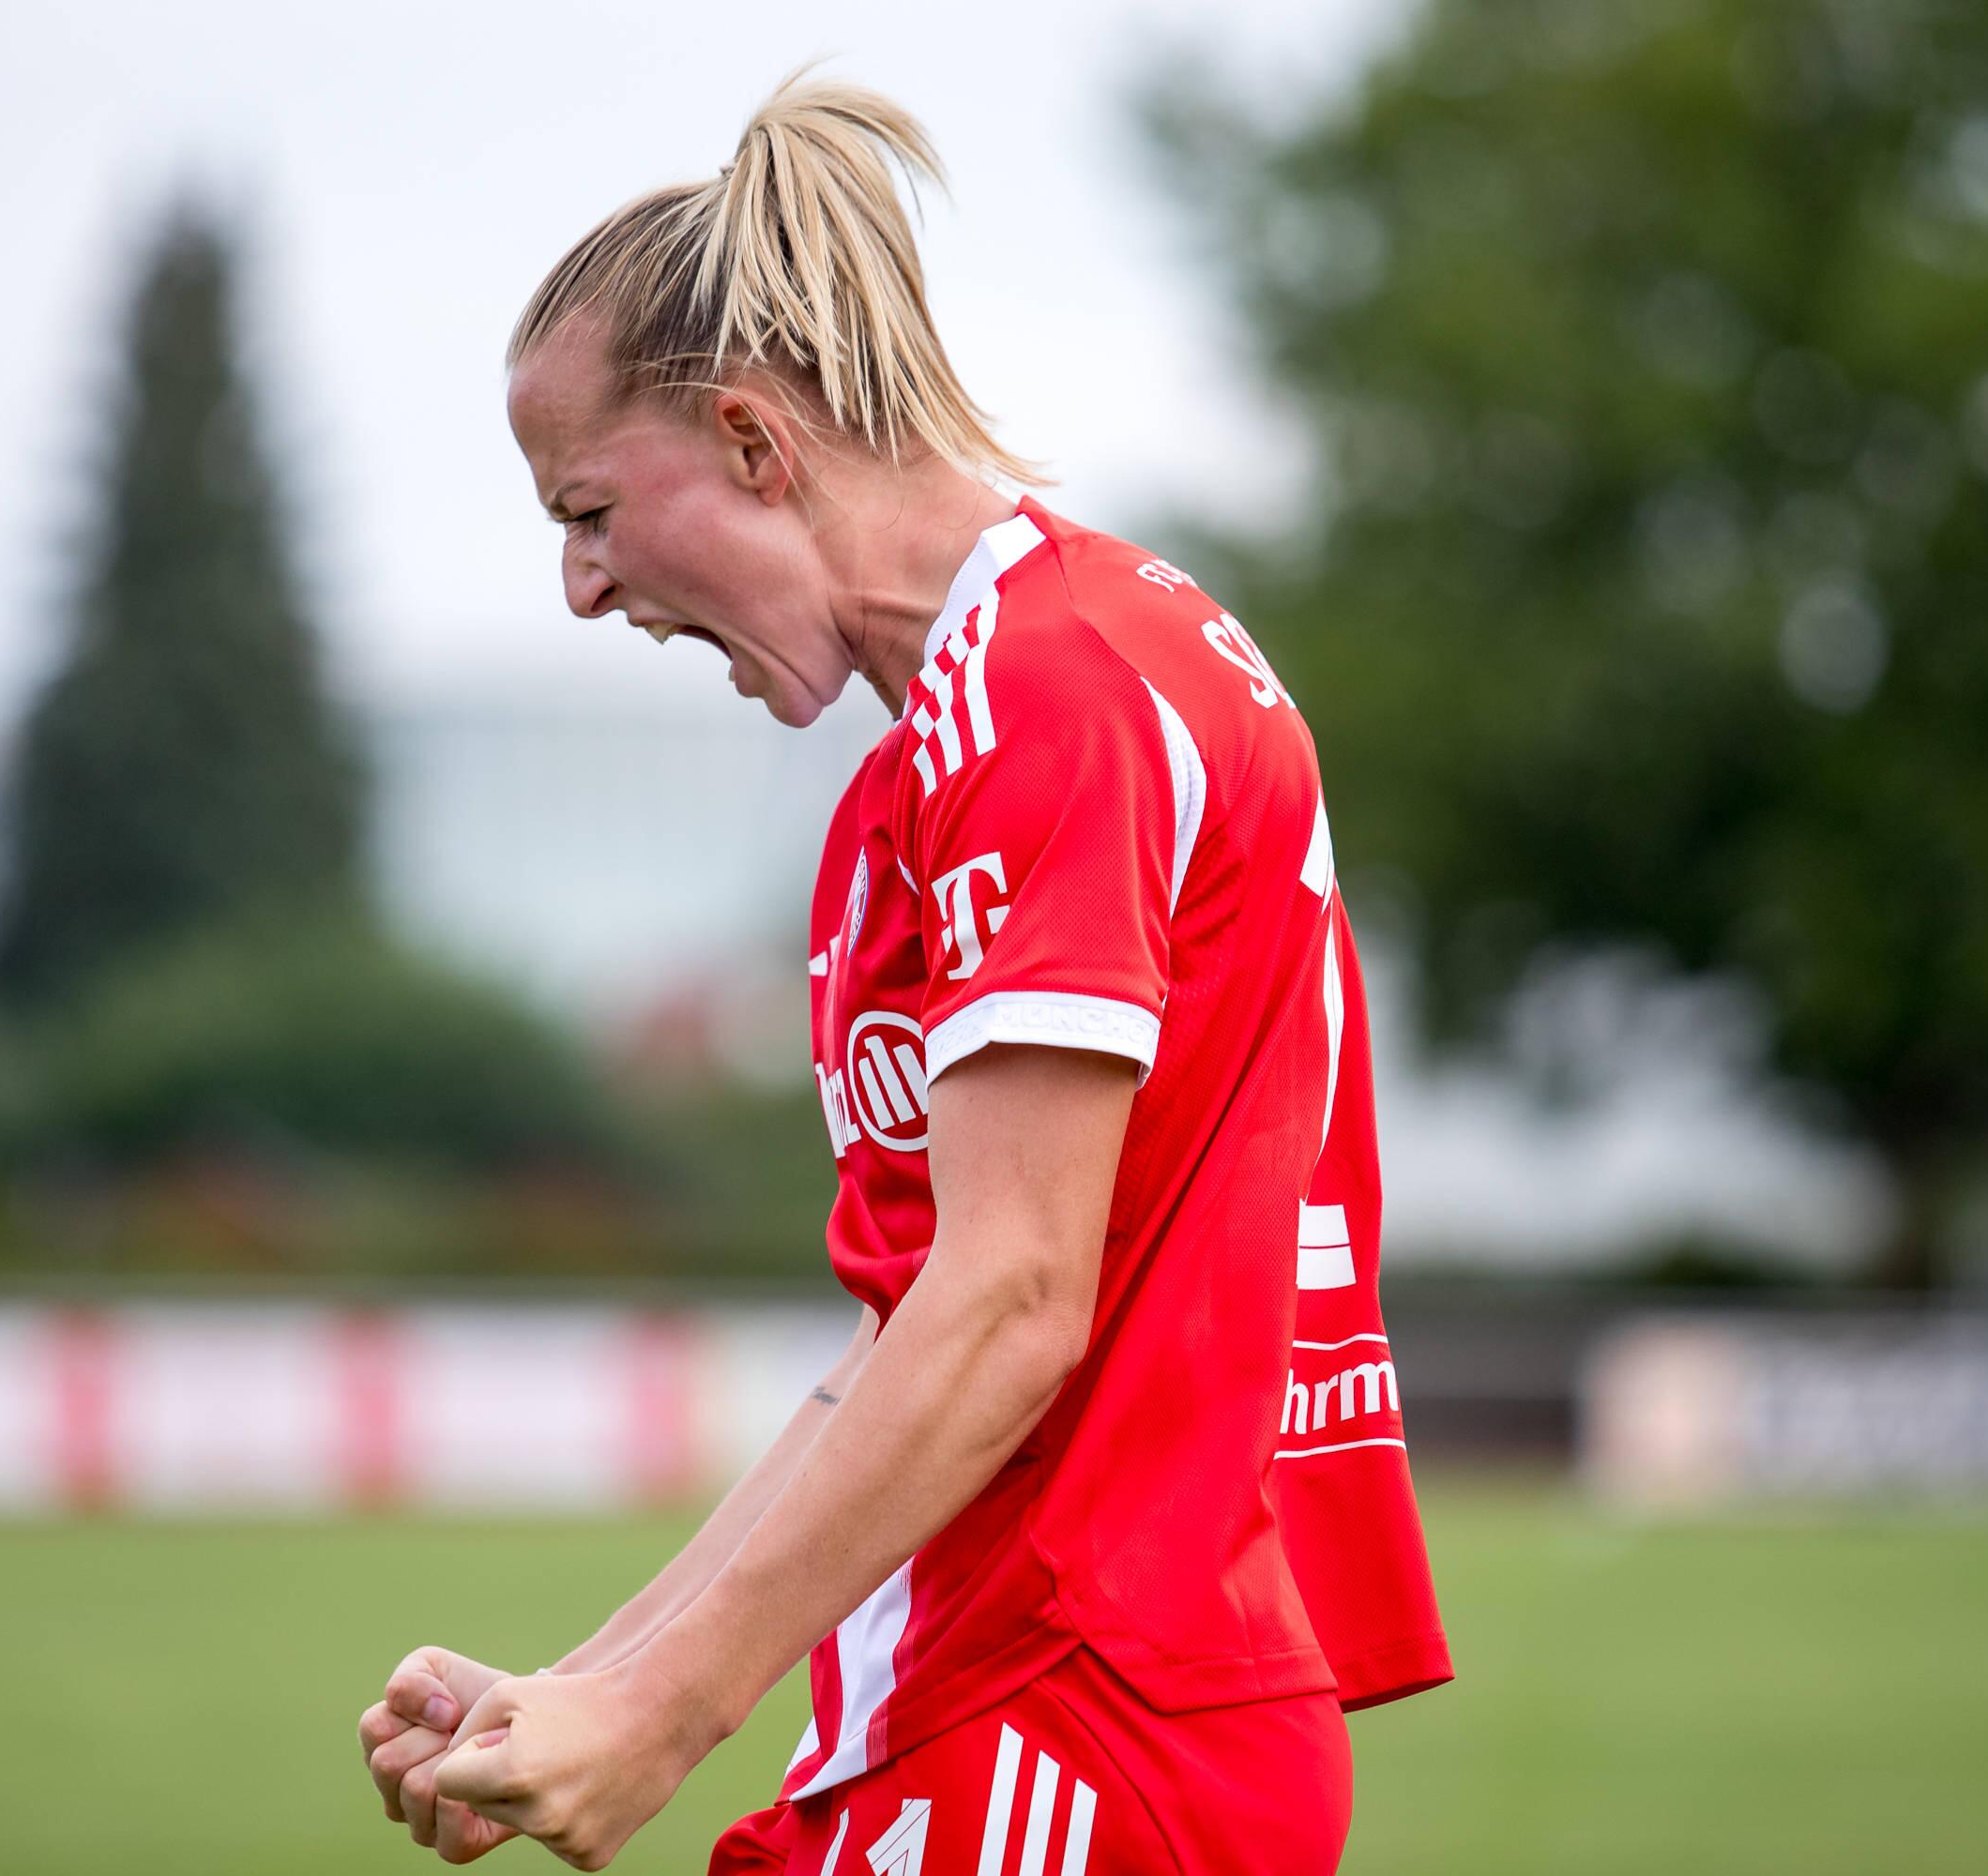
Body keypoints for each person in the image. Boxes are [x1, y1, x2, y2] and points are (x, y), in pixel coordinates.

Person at [358, 73, 1449, 1874]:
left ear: (751, 440)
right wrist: (591, 1682)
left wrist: (664, 1714)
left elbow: (1015, 1300)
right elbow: (905, 1333)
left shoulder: (1054, 686)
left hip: (1078, 1723)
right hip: (1010, 1712)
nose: (578, 586)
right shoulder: (953, 740)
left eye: (590, 510)